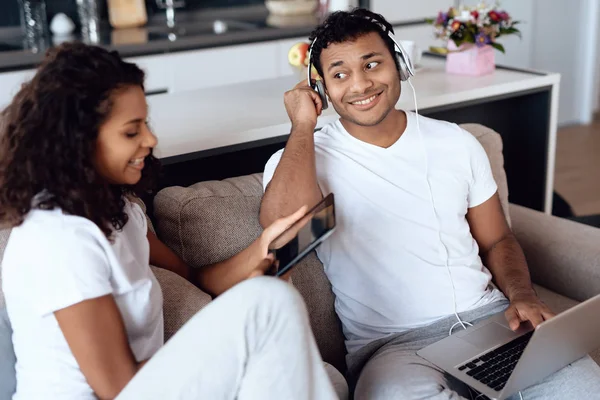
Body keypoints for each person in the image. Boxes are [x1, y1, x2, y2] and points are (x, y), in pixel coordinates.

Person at [259, 8, 600, 400]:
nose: (361, 84)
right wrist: (302, 125)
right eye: (339, 74)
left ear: (400, 65)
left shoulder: (457, 143)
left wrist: (523, 295)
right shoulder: (306, 158)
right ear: (320, 88)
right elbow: (281, 231)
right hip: (393, 349)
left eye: (372, 64)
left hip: (492, 321)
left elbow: (497, 241)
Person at [0, 42, 339, 400]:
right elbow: (116, 388)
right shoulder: (59, 239)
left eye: (145, 123)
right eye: (132, 132)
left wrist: (262, 249)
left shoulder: (119, 214)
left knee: (322, 374)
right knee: (270, 304)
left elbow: (195, 278)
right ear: (76, 143)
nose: (150, 139)